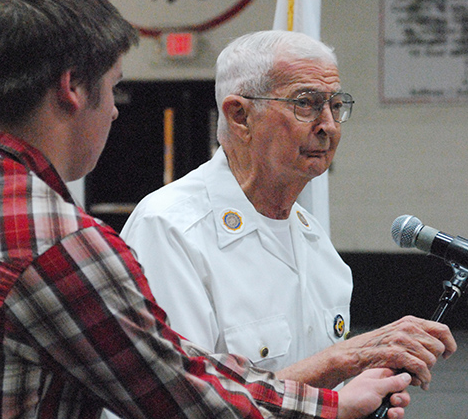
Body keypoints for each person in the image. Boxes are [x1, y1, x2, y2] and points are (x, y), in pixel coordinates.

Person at [0, 0, 417, 419]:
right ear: (72, 88)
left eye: (335, 105)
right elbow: (182, 395)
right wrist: (335, 398)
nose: (115, 111)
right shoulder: (58, 243)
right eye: (114, 87)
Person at [121, 30, 456, 390]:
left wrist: (361, 397)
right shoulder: (171, 229)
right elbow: (180, 400)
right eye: (306, 103)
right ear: (239, 116)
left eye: (336, 105)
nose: (327, 124)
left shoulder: (314, 241)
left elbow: (324, 392)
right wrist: (345, 360)